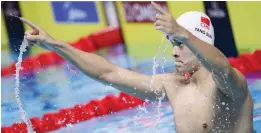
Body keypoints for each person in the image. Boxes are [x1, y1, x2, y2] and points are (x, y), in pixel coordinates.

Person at [20, 2, 253, 133]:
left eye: (181, 44)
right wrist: (54, 44)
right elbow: (108, 72)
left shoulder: (230, 86)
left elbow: (221, 66)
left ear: (199, 43)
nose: (174, 51)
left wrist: (185, 34)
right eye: (173, 44)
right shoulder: (173, 85)